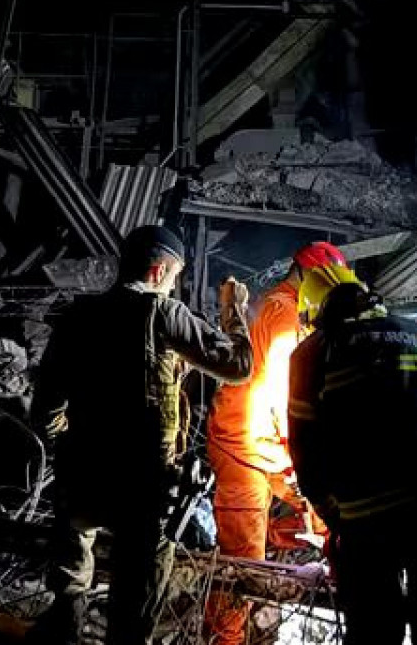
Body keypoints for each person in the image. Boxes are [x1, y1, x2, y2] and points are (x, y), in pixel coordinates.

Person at [33, 225, 253, 645]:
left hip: (82, 474)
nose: (173, 288)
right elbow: (239, 366)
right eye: (174, 278)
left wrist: (68, 446)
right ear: (158, 273)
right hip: (141, 483)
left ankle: (66, 625)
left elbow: (46, 406)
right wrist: (234, 311)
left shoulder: (77, 317)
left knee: (71, 573)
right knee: (136, 596)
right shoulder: (163, 314)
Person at [288, 265, 417, 645]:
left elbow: (305, 450)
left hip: (371, 523)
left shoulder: (313, 353)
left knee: (375, 632)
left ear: (317, 312)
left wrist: (335, 514)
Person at [203, 241, 344, 645]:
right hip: (243, 445)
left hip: (266, 444)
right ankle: (225, 638)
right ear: (310, 276)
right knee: (243, 559)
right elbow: (286, 395)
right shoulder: (282, 315)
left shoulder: (290, 310)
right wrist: (302, 458)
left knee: (319, 515)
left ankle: (315, 571)